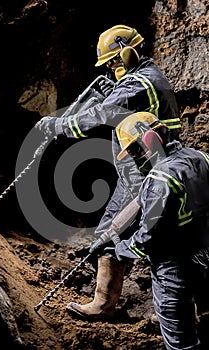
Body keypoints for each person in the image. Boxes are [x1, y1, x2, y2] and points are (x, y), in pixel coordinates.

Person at [35, 24, 181, 320]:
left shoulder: (138, 83)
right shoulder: (150, 77)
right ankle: (174, 305)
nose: (112, 68)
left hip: (143, 176)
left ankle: (105, 304)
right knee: (163, 236)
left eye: (113, 62)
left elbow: (99, 116)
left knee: (111, 234)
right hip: (152, 172)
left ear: (127, 54)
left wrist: (58, 125)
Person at [113, 111, 209, 350]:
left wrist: (121, 248)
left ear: (150, 140)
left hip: (175, 267)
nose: (136, 159)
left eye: (135, 151)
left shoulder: (160, 178)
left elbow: (149, 237)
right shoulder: (201, 157)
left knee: (179, 337)